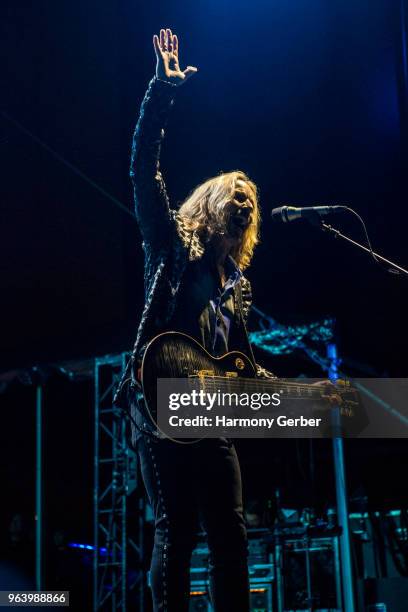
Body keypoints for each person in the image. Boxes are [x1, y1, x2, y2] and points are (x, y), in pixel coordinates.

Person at [115, 27, 275, 612]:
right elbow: (141, 167)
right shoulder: (171, 246)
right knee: (176, 532)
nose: (244, 200)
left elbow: (240, 361)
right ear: (210, 203)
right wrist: (162, 90)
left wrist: (278, 393)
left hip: (212, 412)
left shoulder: (239, 285)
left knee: (231, 534)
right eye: (235, 193)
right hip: (158, 405)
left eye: (250, 198)